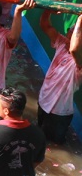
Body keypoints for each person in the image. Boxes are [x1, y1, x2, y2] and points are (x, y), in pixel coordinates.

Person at [35, 9, 82, 144]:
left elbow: (74, 48)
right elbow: (45, 25)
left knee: (54, 145)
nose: (70, 36)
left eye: (75, 35)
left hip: (60, 113)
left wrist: (80, 19)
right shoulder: (61, 43)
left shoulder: (80, 60)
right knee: (39, 137)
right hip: (43, 100)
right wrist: (47, 11)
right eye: (70, 32)